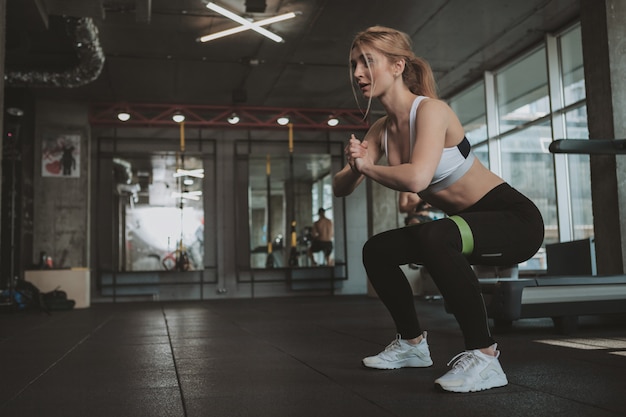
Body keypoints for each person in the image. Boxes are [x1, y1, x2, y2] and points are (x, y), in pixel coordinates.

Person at [333, 26, 544, 393]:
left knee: (436, 234)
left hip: (514, 220)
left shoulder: (430, 111)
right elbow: (339, 188)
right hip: (464, 224)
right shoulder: (382, 129)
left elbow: (416, 178)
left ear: (398, 66)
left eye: (367, 62)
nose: (357, 74)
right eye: (354, 65)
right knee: (377, 250)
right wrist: (355, 166)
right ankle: (413, 345)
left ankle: (485, 356)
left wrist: (367, 168)